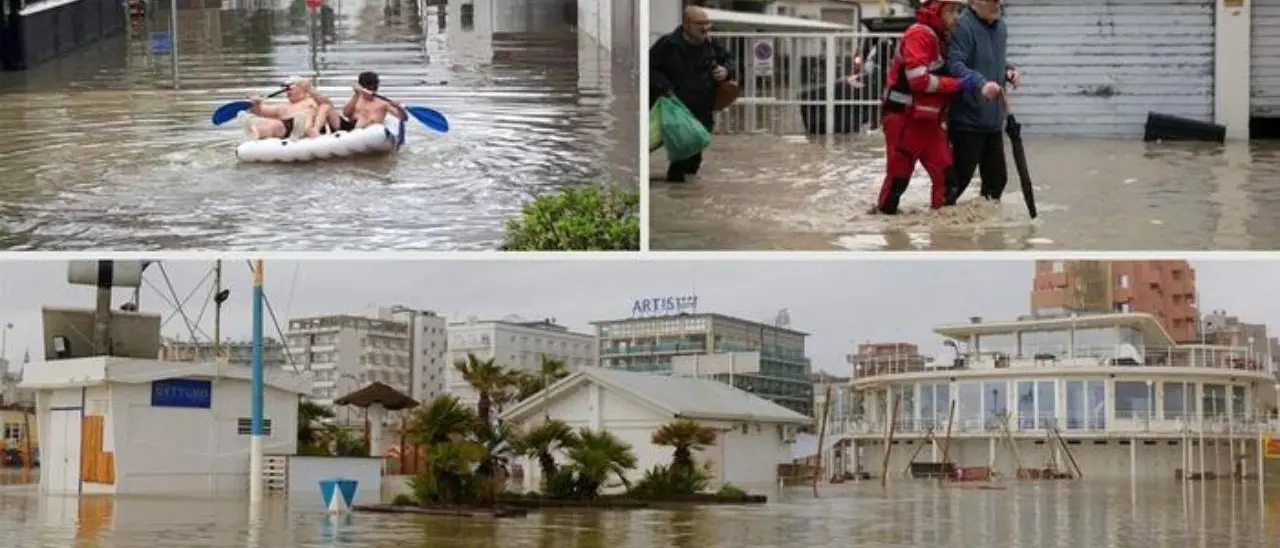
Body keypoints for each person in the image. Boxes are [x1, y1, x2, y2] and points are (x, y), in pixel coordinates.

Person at [873, 0, 1001, 215]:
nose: (956, 17)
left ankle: (941, 236)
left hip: (928, 120)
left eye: (958, 11)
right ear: (935, 11)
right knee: (898, 178)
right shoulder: (919, 34)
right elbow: (918, 80)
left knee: (947, 179)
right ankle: (888, 231)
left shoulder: (941, 37)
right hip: (904, 118)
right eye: (951, 11)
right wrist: (959, 84)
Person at [943, 0, 1023, 205]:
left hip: (993, 119)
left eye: (999, 1)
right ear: (974, 3)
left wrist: (1008, 71)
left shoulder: (1000, 26)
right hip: (967, 120)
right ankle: (941, 230)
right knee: (959, 182)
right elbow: (955, 65)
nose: (997, 5)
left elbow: (993, 61)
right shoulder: (963, 27)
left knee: (997, 181)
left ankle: (987, 231)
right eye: (991, 1)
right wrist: (980, 83)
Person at [649, 6, 734, 183]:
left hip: (703, 108)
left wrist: (726, 71)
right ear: (687, 25)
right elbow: (650, 67)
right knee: (681, 151)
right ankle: (676, 187)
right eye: (700, 24)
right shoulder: (668, 45)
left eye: (707, 23)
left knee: (695, 155)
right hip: (678, 108)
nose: (705, 28)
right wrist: (665, 87)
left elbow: (729, 60)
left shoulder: (711, 44)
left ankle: (686, 189)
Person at [311, 71, 407, 136]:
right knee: (325, 107)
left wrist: (399, 108)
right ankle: (316, 133)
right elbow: (346, 114)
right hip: (350, 128)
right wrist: (356, 95)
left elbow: (403, 118)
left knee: (364, 118)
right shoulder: (358, 97)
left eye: (372, 87)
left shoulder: (384, 103)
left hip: (367, 132)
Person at [239, 76, 319, 141]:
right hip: (285, 129)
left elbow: (312, 114)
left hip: (302, 126)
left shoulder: (311, 101)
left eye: (289, 88)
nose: (287, 91)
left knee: (278, 124)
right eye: (285, 89)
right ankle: (254, 132)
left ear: (303, 88)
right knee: (271, 123)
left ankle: (298, 131)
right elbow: (260, 111)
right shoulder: (283, 107)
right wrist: (256, 104)